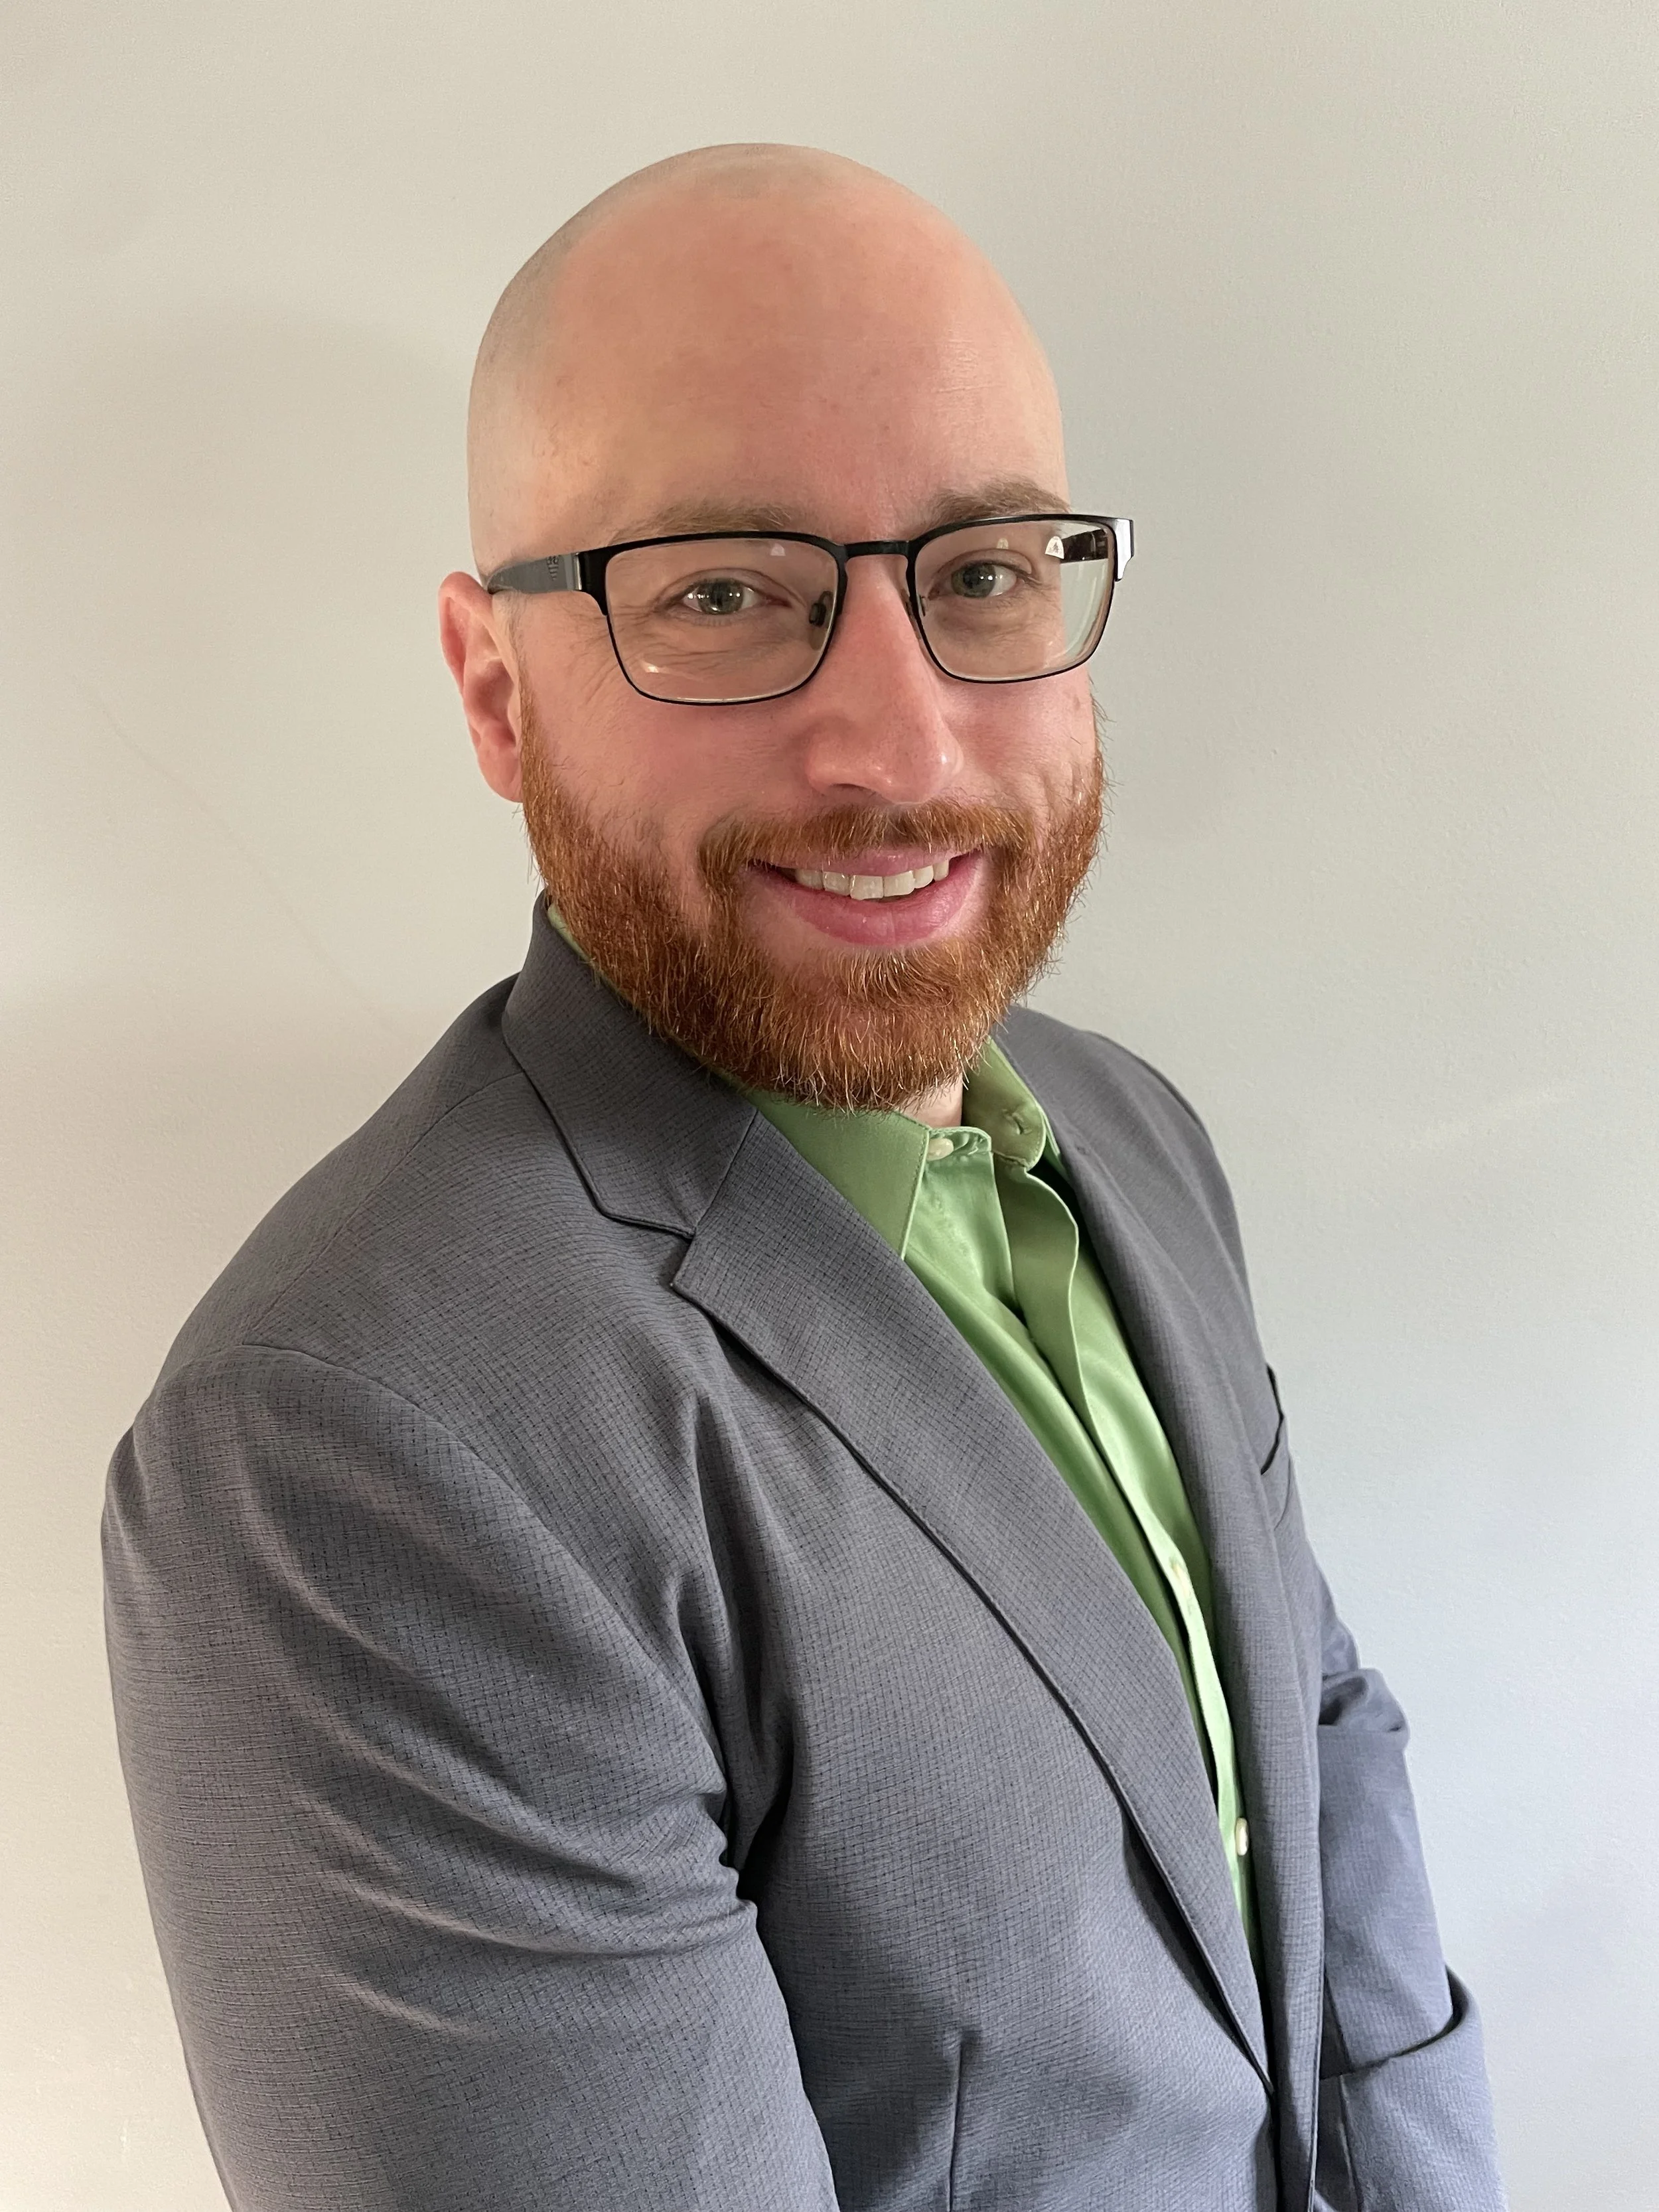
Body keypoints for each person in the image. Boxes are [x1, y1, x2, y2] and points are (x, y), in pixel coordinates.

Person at [103, 143, 1506, 2212]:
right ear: (496, 690)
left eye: (985, 572)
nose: (901, 745)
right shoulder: (349, 1456)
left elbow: (1310, 1743)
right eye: (727, 593)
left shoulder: (1128, 1133)